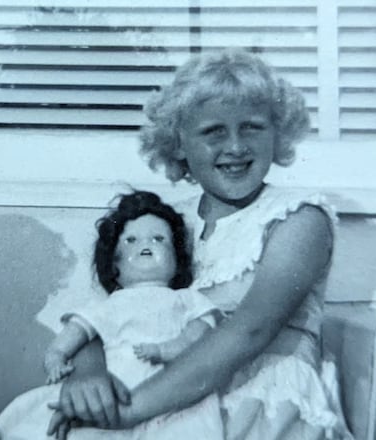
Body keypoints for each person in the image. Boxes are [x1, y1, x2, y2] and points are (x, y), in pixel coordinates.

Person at [48, 50, 353, 440]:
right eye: (214, 132)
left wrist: (128, 413)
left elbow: (249, 332)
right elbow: (99, 312)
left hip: (257, 400)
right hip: (150, 391)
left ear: (278, 133)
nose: (236, 147)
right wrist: (89, 377)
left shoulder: (298, 219)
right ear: (178, 143)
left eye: (253, 127)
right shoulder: (164, 222)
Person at [0, 190, 223, 439]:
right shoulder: (106, 305)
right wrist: (55, 360)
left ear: (178, 261)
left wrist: (168, 349)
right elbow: (69, 339)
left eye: (159, 239)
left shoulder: (186, 298)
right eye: (131, 240)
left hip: (171, 388)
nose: (146, 245)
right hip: (113, 385)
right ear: (114, 265)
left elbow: (200, 336)